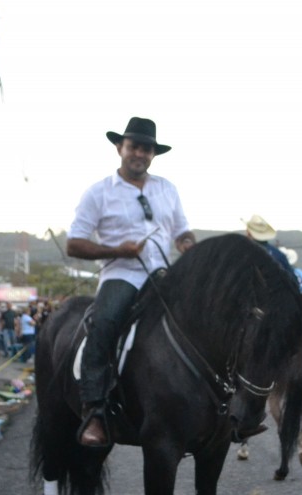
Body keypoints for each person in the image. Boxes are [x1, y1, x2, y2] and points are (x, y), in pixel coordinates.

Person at [66, 116, 195, 446]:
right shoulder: (99, 192)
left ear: (153, 154)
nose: (140, 153)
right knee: (105, 323)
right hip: (123, 274)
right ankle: (94, 409)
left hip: (164, 273)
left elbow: (181, 232)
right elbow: (75, 243)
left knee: (202, 320)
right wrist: (117, 250)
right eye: (134, 146)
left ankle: (213, 404)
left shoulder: (167, 188)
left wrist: (188, 246)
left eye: (147, 149)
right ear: (119, 148)